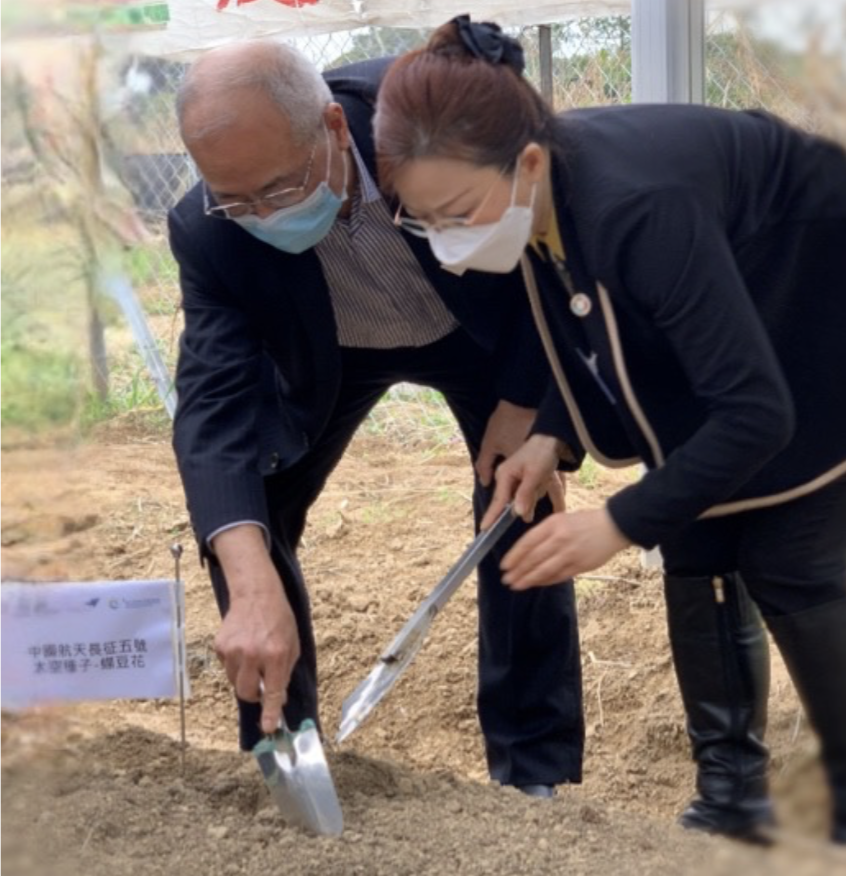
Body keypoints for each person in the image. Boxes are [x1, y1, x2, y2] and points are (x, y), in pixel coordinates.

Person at [374, 16, 846, 842]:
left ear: (525, 163)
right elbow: (594, 329)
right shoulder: (546, 198)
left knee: (789, 547)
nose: (448, 243)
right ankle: (733, 797)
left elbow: (760, 411)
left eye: (456, 212)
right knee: (698, 539)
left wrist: (618, 523)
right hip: (741, 315)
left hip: (813, 295)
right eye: (425, 220)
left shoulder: (633, 205)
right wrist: (550, 438)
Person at [168, 39, 586, 797]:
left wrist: (526, 400)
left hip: (482, 336)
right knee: (249, 527)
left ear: (332, 127)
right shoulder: (208, 226)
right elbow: (214, 402)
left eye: (276, 188)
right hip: (332, 351)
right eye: (236, 201)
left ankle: (533, 772)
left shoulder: (430, 114)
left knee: (518, 502)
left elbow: (544, 248)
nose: (259, 215)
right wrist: (244, 566)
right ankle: (284, 754)